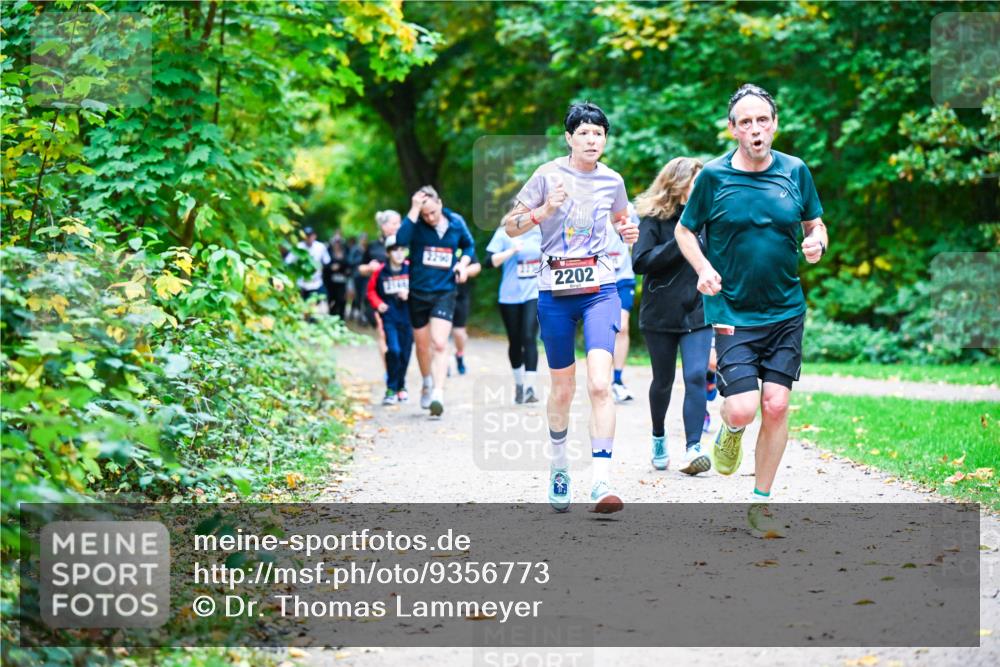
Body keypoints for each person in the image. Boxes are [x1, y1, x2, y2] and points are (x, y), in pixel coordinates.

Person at [674, 84, 828, 535]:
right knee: (742, 409)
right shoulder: (714, 178)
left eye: (763, 120)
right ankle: (732, 431)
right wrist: (702, 268)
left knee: (776, 405)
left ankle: (761, 502)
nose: (756, 129)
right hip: (732, 309)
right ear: (733, 129)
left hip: (785, 309)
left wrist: (817, 241)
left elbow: (814, 223)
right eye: (746, 122)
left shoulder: (795, 172)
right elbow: (685, 232)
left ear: (775, 124)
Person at [503, 102, 639, 514]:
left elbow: (621, 220)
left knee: (600, 384)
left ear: (605, 139)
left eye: (598, 133)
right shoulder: (546, 175)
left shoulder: (613, 180)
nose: (591, 139)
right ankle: (559, 463)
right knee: (562, 388)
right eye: (583, 133)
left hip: (601, 289)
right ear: (569, 138)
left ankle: (601, 481)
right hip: (554, 292)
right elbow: (510, 225)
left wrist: (627, 230)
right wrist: (543, 211)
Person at [632, 156, 713, 475]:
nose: (702, 189)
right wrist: (681, 242)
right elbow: (640, 262)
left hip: (698, 309)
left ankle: (693, 448)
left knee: (695, 375)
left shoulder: (708, 218)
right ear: (678, 184)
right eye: (697, 183)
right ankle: (658, 436)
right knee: (662, 381)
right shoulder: (654, 218)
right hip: (660, 313)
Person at [397, 185, 477, 417]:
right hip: (419, 292)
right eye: (425, 214)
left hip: (445, 291)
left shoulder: (456, 222)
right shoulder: (416, 225)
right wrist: (414, 209)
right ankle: (426, 382)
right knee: (422, 346)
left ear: (440, 203)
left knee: (439, 343)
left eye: (432, 212)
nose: (430, 217)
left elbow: (469, 246)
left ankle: (438, 393)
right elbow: (401, 240)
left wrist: (462, 264)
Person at [484, 223, 543, 404]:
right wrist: (511, 251)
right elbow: (488, 262)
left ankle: (530, 388)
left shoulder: (541, 231)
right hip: (509, 296)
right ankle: (519, 384)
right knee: (515, 341)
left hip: (534, 293)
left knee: (529, 336)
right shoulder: (503, 233)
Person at [360, 210, 406, 400]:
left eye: (399, 222)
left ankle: (396, 376)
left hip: (403, 302)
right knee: (383, 332)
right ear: (383, 226)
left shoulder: (404, 243)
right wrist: (369, 268)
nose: (397, 226)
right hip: (381, 300)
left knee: (403, 340)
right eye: (393, 223)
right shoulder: (374, 247)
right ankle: (390, 372)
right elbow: (360, 268)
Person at [367, 236, 413, 405]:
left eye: (402, 250)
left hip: (408, 317)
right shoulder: (380, 271)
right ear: (388, 252)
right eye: (395, 250)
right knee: (393, 350)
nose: (399, 254)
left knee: (405, 353)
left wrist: (409, 294)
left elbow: (420, 288)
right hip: (390, 318)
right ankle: (391, 388)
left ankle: (401, 386)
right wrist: (378, 304)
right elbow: (371, 291)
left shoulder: (411, 269)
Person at [606, 203, 638, 403]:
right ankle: (601, 379)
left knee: (622, 327)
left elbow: (639, 238)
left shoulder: (629, 209)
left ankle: (617, 380)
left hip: (624, 278)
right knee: (605, 329)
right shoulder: (591, 208)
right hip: (598, 280)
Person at [450, 258, 481, 375]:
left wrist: (463, 271)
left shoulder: (465, 243)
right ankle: (443, 363)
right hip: (440, 295)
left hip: (461, 296)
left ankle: (459, 354)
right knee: (440, 336)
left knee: (459, 333)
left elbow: (477, 266)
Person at [285, 226, 330, 303]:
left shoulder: (320, 247)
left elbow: (327, 261)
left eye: (310, 235)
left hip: (317, 282)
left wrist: (319, 267)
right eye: (306, 235)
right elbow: (288, 261)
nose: (308, 238)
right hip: (301, 283)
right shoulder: (298, 247)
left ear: (314, 236)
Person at [325, 233, 352, 321]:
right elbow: (325, 265)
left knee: (341, 300)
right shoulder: (328, 252)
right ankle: (331, 318)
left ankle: (341, 319)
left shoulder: (346, 252)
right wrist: (331, 267)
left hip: (342, 281)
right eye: (335, 242)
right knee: (331, 300)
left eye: (338, 242)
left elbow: (349, 265)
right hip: (330, 282)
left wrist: (341, 268)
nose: (337, 244)